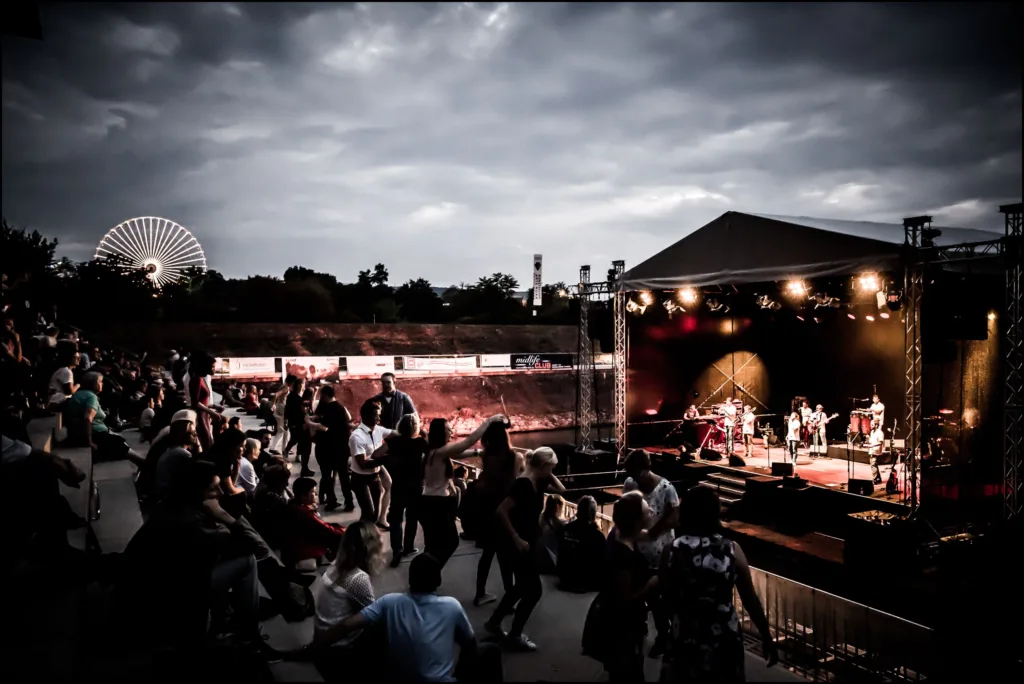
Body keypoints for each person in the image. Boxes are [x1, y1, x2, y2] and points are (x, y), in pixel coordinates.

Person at [316, 553, 503, 682]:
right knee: (490, 649)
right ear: (438, 580)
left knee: (374, 632)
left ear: (410, 580)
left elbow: (347, 625)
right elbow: (470, 646)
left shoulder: (389, 602)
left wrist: (316, 648)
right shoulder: (451, 606)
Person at [658, 487, 778, 683]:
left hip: (686, 634)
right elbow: (750, 599)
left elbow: (665, 595)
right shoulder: (732, 549)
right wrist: (766, 636)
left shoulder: (671, 550)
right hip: (724, 637)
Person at [484, 446, 566, 651]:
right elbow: (501, 511)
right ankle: (514, 634)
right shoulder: (523, 484)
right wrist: (516, 537)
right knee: (534, 591)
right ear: (544, 465)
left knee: (520, 588)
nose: (552, 471)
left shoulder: (536, 481)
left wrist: (548, 472)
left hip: (527, 544)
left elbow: (561, 490)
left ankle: (494, 622)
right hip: (519, 545)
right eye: (551, 467)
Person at [419, 415, 504, 569]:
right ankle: (431, 572)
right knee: (450, 542)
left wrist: (477, 453)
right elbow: (467, 443)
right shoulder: (440, 452)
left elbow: (457, 453)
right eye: (448, 429)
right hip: (437, 505)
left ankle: (424, 576)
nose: (451, 431)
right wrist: (489, 421)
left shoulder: (432, 451)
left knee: (432, 545)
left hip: (428, 503)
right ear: (440, 433)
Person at [307, 521, 385, 680]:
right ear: (369, 546)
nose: (382, 540)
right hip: (339, 647)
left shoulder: (337, 564)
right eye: (378, 537)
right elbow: (372, 616)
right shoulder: (358, 578)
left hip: (323, 636)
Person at [622, 448, 679, 657]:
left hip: (661, 554)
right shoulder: (630, 484)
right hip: (638, 550)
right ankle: (642, 626)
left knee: (658, 598)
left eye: (636, 472)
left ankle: (664, 635)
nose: (634, 478)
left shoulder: (666, 488)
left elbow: (674, 517)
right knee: (640, 591)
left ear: (647, 469)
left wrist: (654, 531)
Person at [603, 492, 658, 681]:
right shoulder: (622, 556)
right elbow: (624, 601)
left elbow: (651, 534)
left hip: (621, 624)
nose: (651, 511)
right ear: (635, 522)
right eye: (646, 511)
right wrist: (650, 586)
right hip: (624, 627)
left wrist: (668, 520)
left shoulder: (621, 534)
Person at [473, 419, 524, 607]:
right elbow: (523, 476)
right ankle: (509, 597)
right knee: (506, 557)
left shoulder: (487, 457)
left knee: (487, 554)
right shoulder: (515, 457)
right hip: (507, 511)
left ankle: (480, 593)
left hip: (487, 510)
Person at [377, 413, 426, 567]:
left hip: (398, 485)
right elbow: (433, 451)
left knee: (396, 519)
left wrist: (388, 459)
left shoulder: (393, 442)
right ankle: (409, 547)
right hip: (416, 486)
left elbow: (375, 454)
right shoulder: (420, 443)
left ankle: (397, 548)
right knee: (412, 518)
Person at [65, 372, 144, 466]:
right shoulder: (92, 397)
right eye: (100, 382)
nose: (102, 384)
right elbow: (87, 418)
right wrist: (89, 441)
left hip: (79, 433)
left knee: (119, 440)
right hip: (94, 435)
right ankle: (143, 463)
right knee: (119, 443)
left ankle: (141, 462)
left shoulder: (78, 394)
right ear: (94, 383)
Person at [311, 384, 354, 512]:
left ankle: (331, 501)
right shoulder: (341, 408)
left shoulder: (328, 409)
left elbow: (323, 427)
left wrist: (310, 422)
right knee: (344, 477)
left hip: (327, 448)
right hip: (341, 448)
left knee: (327, 476)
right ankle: (349, 502)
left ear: (325, 395)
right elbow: (349, 419)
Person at [347, 400, 391, 524]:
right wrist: (385, 459)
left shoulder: (378, 430)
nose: (379, 418)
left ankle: (366, 535)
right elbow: (363, 464)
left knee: (374, 515)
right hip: (360, 479)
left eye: (379, 415)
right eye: (376, 415)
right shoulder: (357, 436)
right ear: (366, 417)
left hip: (374, 477)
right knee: (369, 513)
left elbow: (395, 434)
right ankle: (360, 539)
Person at [557, 495, 607, 593]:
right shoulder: (597, 536)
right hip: (584, 582)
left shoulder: (566, 528)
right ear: (593, 514)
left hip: (565, 576)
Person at [187, 353, 222, 455]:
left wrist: (214, 406)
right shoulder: (197, 380)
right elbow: (195, 403)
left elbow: (202, 401)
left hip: (204, 414)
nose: (214, 369)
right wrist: (212, 412)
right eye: (212, 367)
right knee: (206, 443)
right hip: (200, 416)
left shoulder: (201, 379)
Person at [536, 494, 565, 575]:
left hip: (537, 560)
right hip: (551, 563)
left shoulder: (539, 519)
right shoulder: (559, 524)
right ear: (558, 507)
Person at [868, 420, 886, 484]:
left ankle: (875, 479)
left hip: (876, 450)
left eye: (872, 424)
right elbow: (871, 441)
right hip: (872, 450)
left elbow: (881, 442)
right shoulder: (872, 432)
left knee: (873, 464)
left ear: (876, 425)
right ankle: (878, 478)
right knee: (874, 465)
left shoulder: (880, 433)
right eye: (870, 424)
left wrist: (873, 445)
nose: (870, 426)